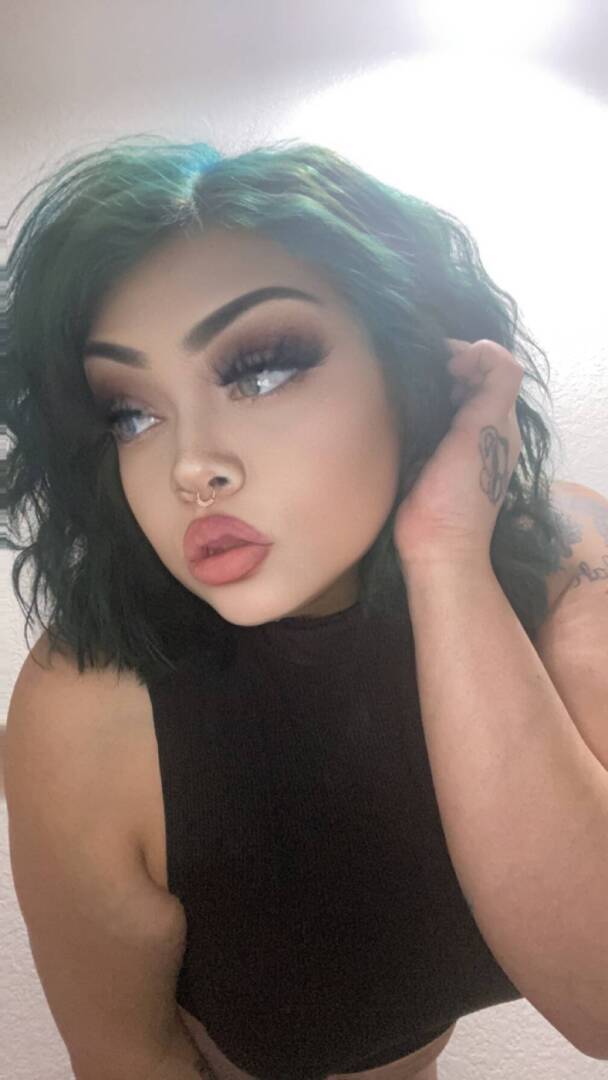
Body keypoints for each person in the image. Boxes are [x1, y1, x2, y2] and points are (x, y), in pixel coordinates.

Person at [4, 137, 574, 1080]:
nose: (191, 466)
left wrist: (447, 559)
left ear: (413, 367)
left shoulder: (560, 564)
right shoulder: (89, 711)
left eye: (261, 370)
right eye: (131, 413)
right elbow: (124, 1060)